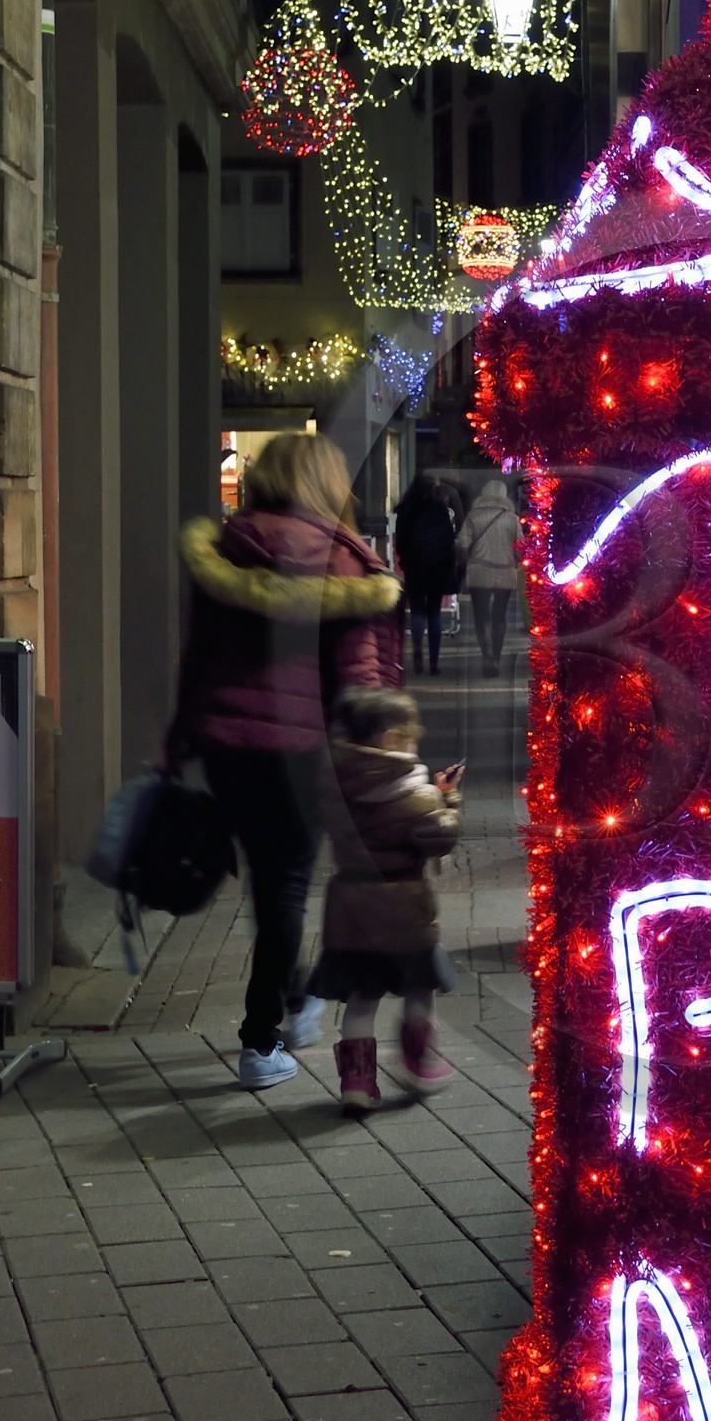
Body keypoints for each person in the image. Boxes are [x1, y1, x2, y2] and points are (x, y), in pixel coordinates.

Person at [172, 433, 402, 1090]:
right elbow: (360, 680)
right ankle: (261, 1037)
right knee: (287, 884)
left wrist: (180, 741)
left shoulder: (226, 549)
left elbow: (198, 659)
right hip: (302, 750)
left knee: (269, 883)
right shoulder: (341, 557)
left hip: (224, 745)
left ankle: (296, 1001)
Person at [309, 686, 461, 1112]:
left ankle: (356, 1083)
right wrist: (448, 797)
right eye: (410, 734)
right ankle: (418, 1062)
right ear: (391, 738)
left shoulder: (335, 784)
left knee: (362, 997)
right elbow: (440, 836)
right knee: (418, 988)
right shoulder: (415, 796)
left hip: (350, 909)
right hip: (404, 910)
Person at [394, 471, 462, 677]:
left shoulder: (406, 510)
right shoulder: (439, 508)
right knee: (433, 613)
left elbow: (400, 542)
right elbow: (449, 540)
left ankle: (416, 651)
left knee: (416, 611)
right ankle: (433, 662)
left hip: (414, 567)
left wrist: (405, 559)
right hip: (437, 567)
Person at [456, 474, 522, 678]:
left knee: (481, 617)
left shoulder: (473, 517)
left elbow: (462, 545)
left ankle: (486, 655)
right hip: (505, 572)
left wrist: (465, 565)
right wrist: (514, 561)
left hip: (479, 572)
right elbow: (521, 549)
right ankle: (497, 657)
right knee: (499, 617)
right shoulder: (512, 519)